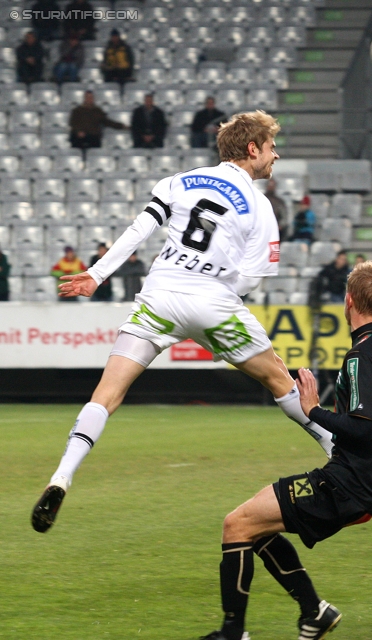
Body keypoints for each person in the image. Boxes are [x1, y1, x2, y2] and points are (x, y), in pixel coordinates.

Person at [31, 110, 335, 534]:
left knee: (107, 393)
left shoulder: (179, 181)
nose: (275, 155)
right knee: (279, 379)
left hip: (159, 296)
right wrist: (217, 293)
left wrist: (96, 274)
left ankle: (62, 474)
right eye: (271, 148)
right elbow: (253, 278)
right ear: (252, 150)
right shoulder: (260, 205)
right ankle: (335, 447)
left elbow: (141, 229)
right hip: (213, 301)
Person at [200, 260, 372, 640]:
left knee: (235, 524)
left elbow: (362, 429)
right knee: (255, 526)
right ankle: (314, 612)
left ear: (348, 301)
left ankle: (233, 632)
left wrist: (313, 410)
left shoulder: (362, 355)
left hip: (344, 485)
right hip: (362, 483)